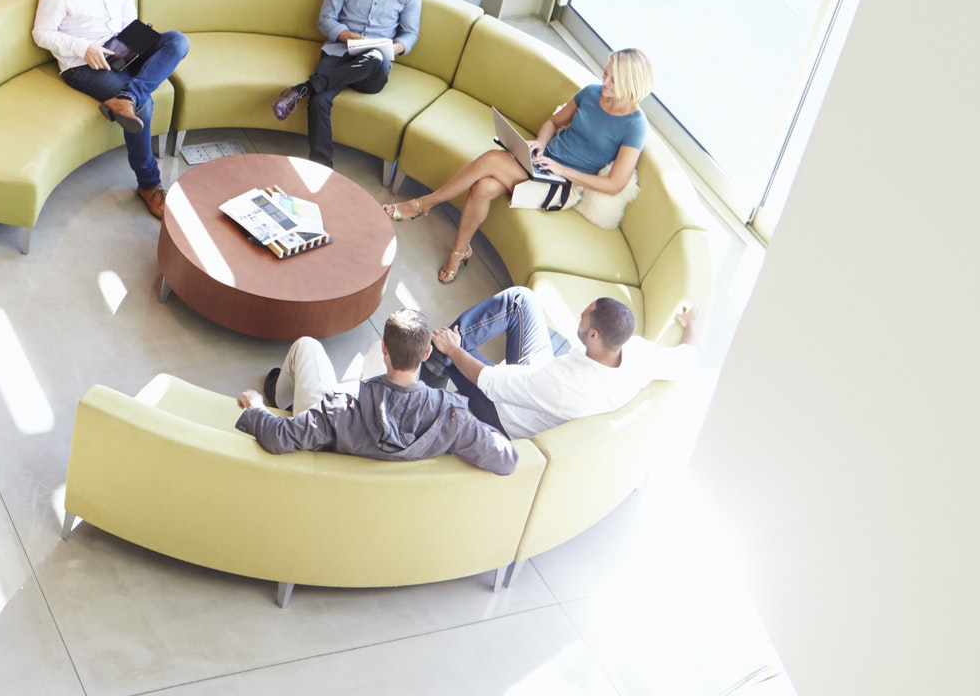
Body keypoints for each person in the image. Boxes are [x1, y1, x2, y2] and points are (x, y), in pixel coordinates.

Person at [386, 48, 656, 284]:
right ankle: (459, 253)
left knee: (492, 159)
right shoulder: (591, 93)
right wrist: (539, 142)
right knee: (483, 187)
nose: (603, 81)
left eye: (612, 79)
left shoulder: (635, 126)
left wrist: (562, 171)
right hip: (542, 162)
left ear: (631, 84)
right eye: (605, 73)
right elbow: (553, 123)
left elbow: (615, 184)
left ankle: (423, 204)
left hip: (563, 186)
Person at [32, 0, 189, 219]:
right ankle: (149, 185)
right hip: (83, 64)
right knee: (143, 108)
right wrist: (83, 47)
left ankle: (127, 97)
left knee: (177, 41)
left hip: (123, 45)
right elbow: (41, 33)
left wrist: (136, 38)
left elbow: (126, 3)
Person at [233, 312, 518, 474]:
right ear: (427, 352)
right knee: (366, 358)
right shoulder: (452, 417)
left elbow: (278, 437)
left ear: (386, 348)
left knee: (306, 346)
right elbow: (506, 459)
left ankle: (281, 398)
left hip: (340, 432)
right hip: (376, 435)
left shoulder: (339, 408)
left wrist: (256, 406)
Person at [423, 289, 701, 440]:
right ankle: (439, 349)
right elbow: (688, 360)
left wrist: (453, 348)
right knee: (521, 300)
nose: (579, 317)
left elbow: (491, 384)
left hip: (506, 413)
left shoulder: (565, 384)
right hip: (536, 375)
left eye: (583, 317)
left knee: (445, 351)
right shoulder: (639, 354)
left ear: (594, 335)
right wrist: (693, 326)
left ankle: (423, 371)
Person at [272, 0, 421, 168]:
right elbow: (326, 20)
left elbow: (411, 33)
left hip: (373, 68)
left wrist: (396, 47)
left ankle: (302, 89)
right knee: (320, 100)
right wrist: (350, 37)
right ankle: (320, 168)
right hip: (339, 52)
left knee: (374, 57)